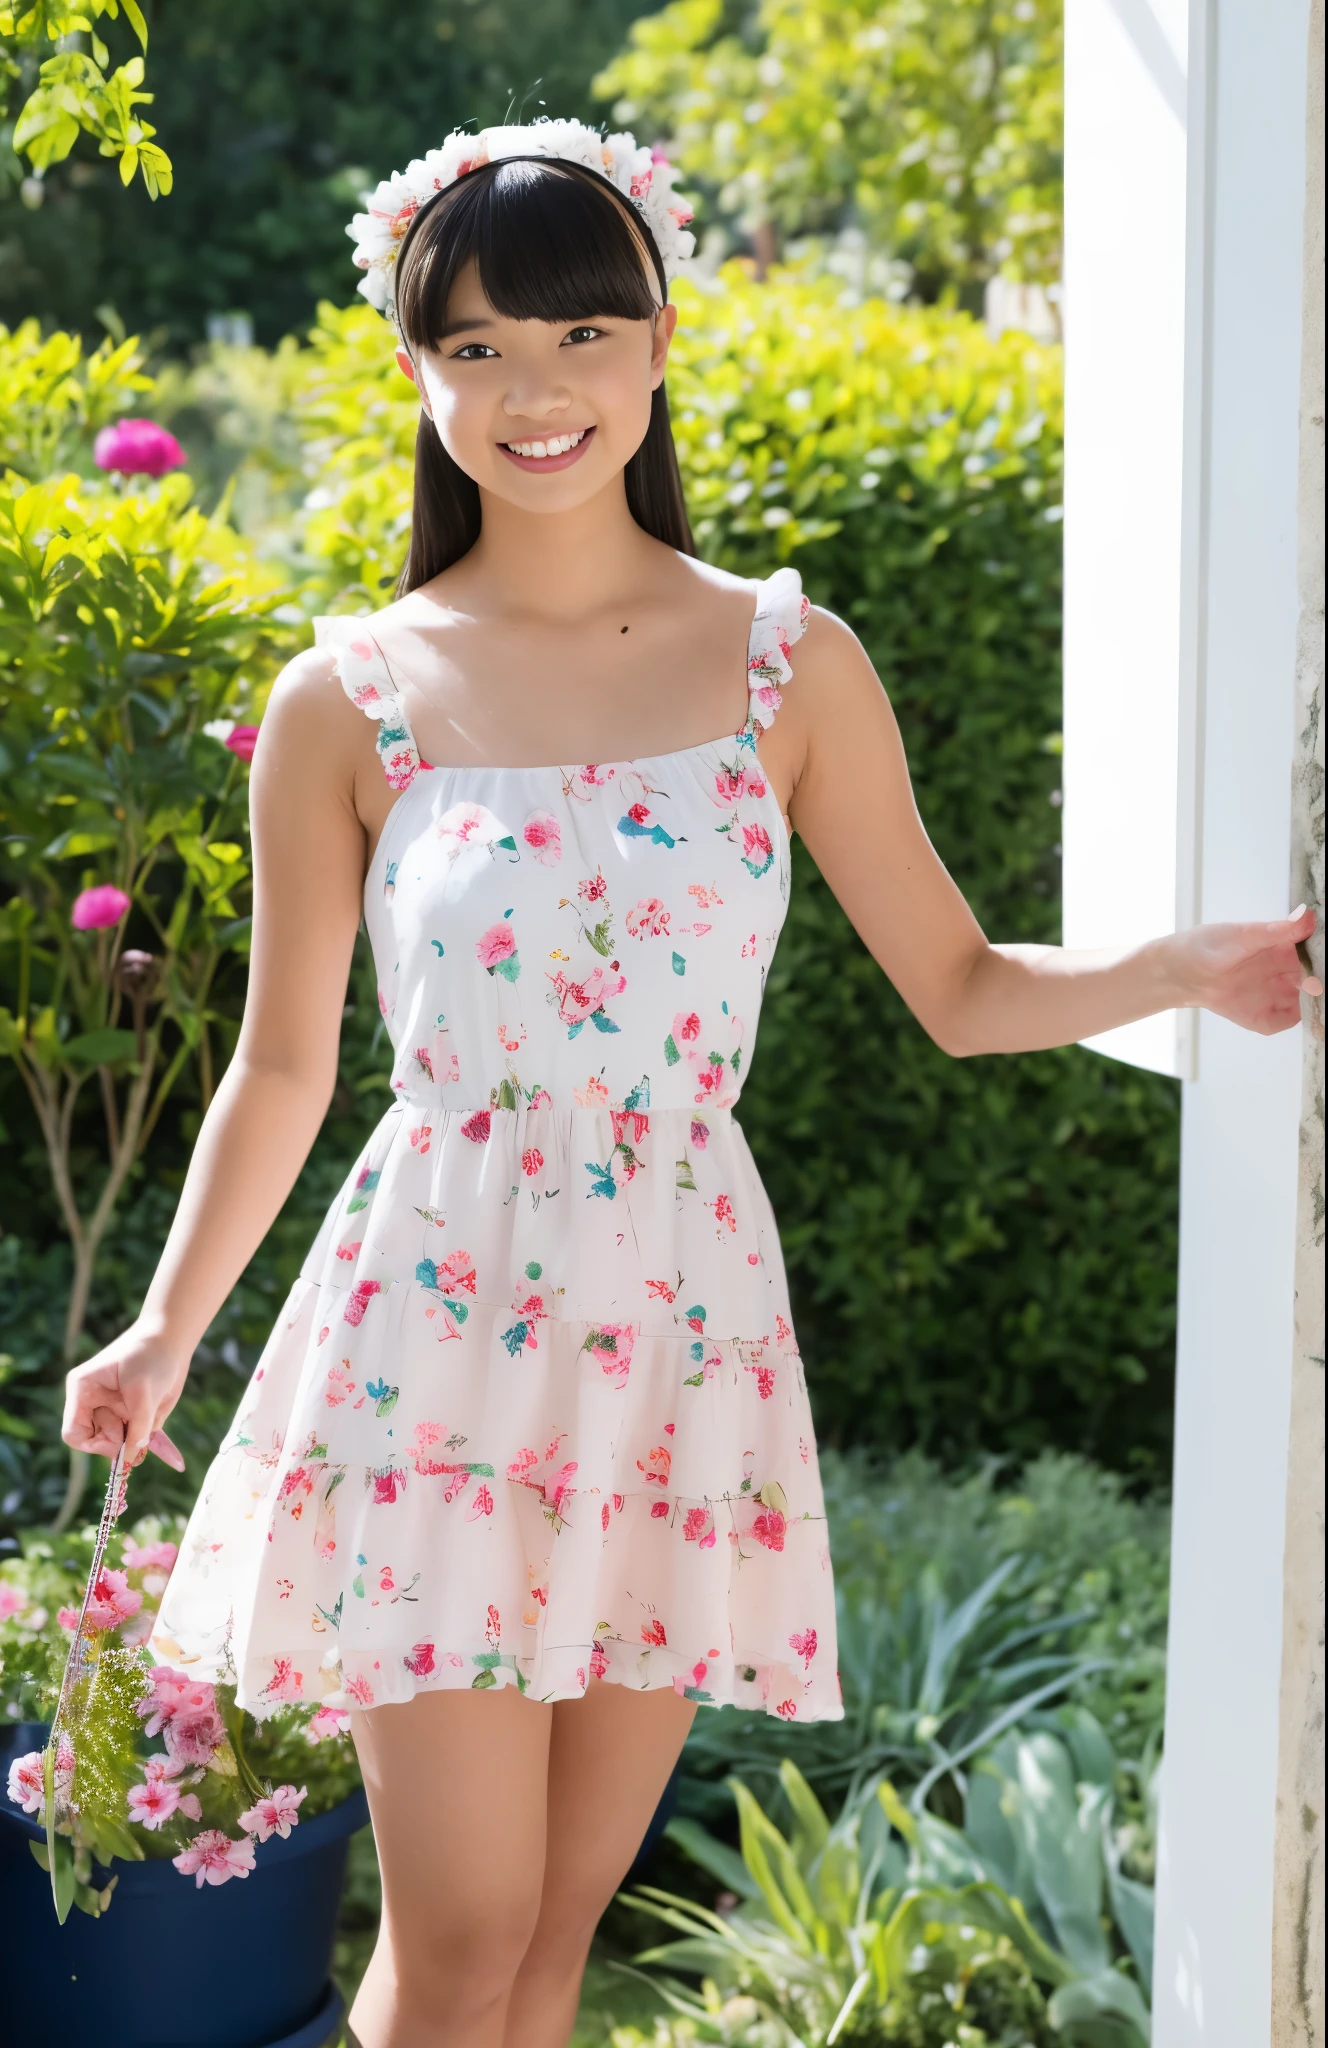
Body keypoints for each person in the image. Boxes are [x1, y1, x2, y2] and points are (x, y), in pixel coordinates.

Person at [61, 120, 1319, 2048]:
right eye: (474, 346)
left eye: (575, 332)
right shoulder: (353, 693)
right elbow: (287, 1062)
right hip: (438, 1335)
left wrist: (1178, 966)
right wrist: (164, 1329)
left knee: (560, 1939)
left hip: (676, 1325)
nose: (532, 388)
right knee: (461, 1942)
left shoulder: (785, 663)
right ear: (418, 374)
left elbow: (964, 986)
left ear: (658, 344)